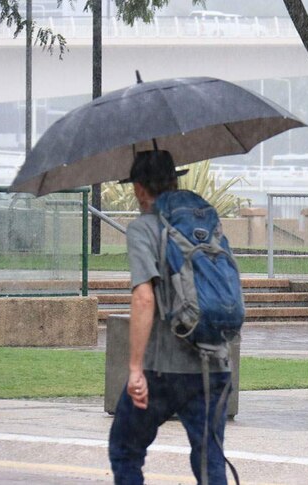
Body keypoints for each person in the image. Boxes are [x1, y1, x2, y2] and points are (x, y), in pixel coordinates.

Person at [108, 150, 233, 485]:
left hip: (164, 370)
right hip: (215, 365)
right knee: (210, 462)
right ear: (176, 182)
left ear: (138, 189)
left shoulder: (143, 229)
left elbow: (144, 297)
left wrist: (135, 369)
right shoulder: (207, 224)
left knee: (125, 449)